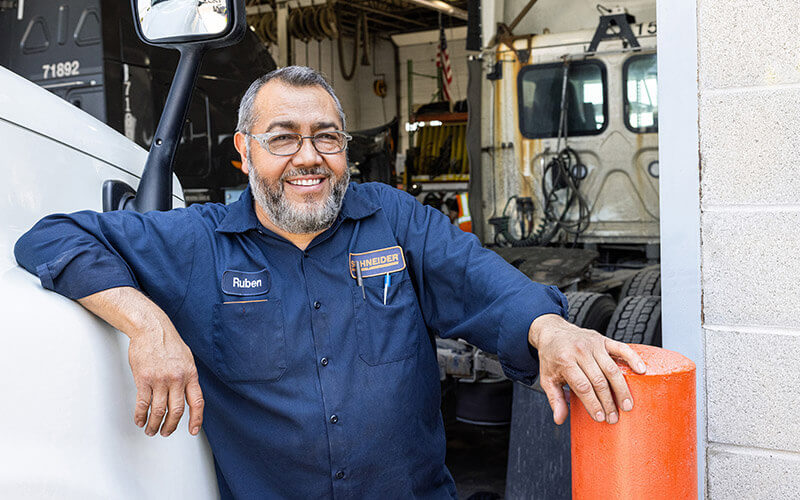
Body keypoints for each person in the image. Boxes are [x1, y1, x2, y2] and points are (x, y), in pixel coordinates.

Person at [14, 66, 645, 498]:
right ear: (244, 151)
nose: (308, 157)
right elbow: (50, 237)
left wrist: (552, 328)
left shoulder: (393, 219)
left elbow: (485, 282)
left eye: (326, 138)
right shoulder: (197, 241)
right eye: (282, 139)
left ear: (346, 149)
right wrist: (147, 325)